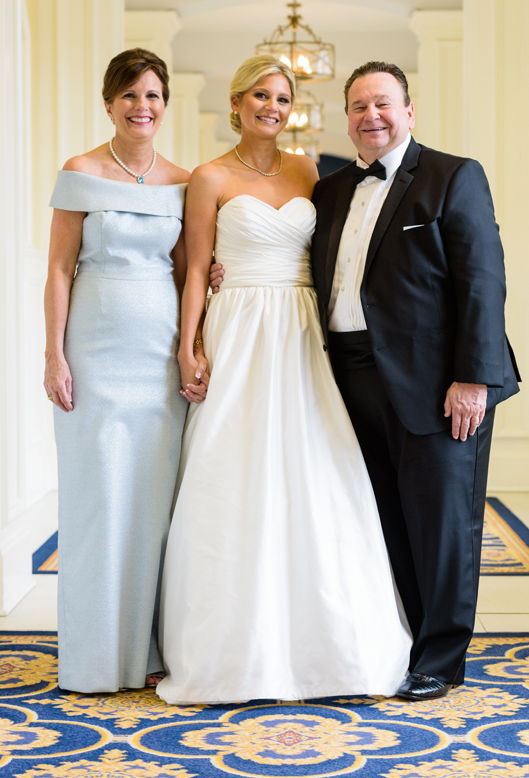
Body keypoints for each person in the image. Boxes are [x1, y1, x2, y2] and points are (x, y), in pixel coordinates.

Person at [154, 55, 408, 705]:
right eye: (260, 94)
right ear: (236, 101)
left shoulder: (309, 171)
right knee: (232, 469)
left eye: (282, 96)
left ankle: (328, 643)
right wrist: (189, 345)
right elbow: (196, 267)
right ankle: (228, 645)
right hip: (237, 328)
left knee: (316, 469)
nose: (272, 104)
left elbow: (330, 252)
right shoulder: (209, 176)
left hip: (300, 332)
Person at [315, 61, 518, 701]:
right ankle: (402, 638)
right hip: (346, 375)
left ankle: (441, 658)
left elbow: (482, 282)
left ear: (409, 111)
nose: (370, 116)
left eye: (382, 104)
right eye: (357, 107)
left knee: (442, 521)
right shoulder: (330, 190)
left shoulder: (454, 175)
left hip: (436, 384)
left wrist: (473, 380)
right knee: (382, 519)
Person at [43, 48, 191, 693]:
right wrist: (53, 352)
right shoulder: (80, 171)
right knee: (96, 500)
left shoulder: (184, 181)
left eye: (153, 95)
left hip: (158, 356)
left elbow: (189, 273)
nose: (142, 107)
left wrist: (199, 332)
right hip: (95, 352)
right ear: (109, 103)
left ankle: (150, 649)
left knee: (154, 505)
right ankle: (96, 655)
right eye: (130, 95)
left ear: (165, 105)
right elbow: (57, 268)